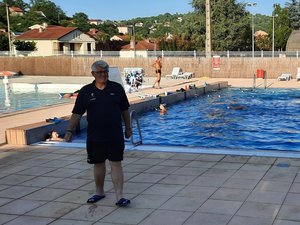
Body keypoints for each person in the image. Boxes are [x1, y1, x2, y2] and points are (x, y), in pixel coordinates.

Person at [64, 60, 132, 207]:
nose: (103, 75)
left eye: (105, 72)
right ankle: (99, 192)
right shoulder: (86, 91)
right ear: (93, 74)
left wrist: (128, 128)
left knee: (116, 163)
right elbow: (77, 113)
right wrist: (69, 130)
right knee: (98, 164)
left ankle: (120, 196)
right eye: (100, 72)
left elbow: (124, 110)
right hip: (95, 135)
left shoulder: (117, 88)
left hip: (114, 134)